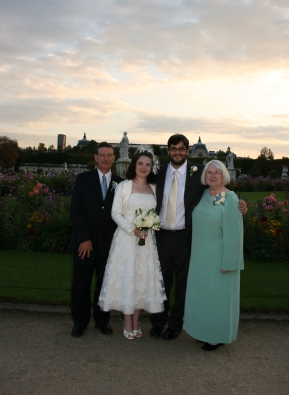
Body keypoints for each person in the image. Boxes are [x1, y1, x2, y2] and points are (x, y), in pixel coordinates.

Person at [150, 134, 247, 340]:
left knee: (185, 284)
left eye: (181, 148)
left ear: (187, 150)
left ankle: (176, 325)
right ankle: (158, 323)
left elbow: (220, 186)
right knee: (160, 283)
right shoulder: (159, 172)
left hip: (187, 238)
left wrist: (240, 203)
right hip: (162, 237)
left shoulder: (200, 172)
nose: (177, 152)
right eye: (173, 148)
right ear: (168, 151)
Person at [98, 148, 166, 340]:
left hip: (146, 242)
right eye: (140, 163)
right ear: (134, 165)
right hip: (127, 241)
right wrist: (132, 229)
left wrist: (150, 227)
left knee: (141, 280)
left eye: (148, 164)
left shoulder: (153, 188)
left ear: (151, 167)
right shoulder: (124, 186)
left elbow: (157, 212)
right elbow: (115, 213)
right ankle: (127, 320)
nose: (144, 167)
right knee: (128, 277)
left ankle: (136, 319)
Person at [183, 160, 244, 351]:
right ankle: (202, 331)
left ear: (224, 175)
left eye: (217, 172)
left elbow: (235, 233)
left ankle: (216, 336)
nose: (213, 175)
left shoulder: (231, 198)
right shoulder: (202, 195)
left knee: (217, 299)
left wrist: (229, 261)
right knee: (202, 296)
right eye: (209, 172)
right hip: (200, 256)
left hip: (219, 257)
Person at [70, 142, 123, 337]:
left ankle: (102, 321)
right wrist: (83, 238)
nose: (106, 158)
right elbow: (76, 212)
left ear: (114, 158)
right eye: (102, 155)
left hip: (109, 243)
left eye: (109, 155)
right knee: (81, 285)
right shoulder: (83, 180)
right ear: (95, 157)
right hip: (84, 243)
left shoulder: (121, 182)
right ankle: (80, 322)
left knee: (104, 284)